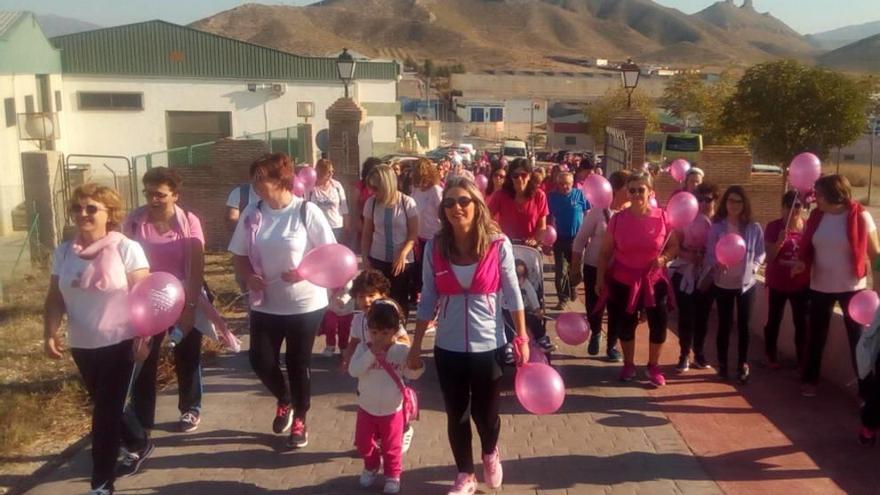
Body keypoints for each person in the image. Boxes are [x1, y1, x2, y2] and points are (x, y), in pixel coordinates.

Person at [408, 177, 529, 495]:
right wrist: (416, 345)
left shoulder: (497, 243)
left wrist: (522, 339)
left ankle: (490, 452)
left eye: (463, 201)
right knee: (456, 413)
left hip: (488, 344)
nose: (456, 208)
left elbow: (513, 294)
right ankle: (465, 474)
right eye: (449, 203)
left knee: (486, 415)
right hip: (447, 346)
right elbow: (428, 298)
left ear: (477, 205)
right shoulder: (434, 246)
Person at [44, 184, 151, 495]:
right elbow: (55, 297)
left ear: (110, 213)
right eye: (78, 208)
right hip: (83, 344)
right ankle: (138, 441)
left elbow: (145, 298)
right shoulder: (64, 252)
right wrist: (49, 331)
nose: (83, 214)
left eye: (92, 208)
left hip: (123, 342)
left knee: (104, 415)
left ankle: (101, 483)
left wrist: (145, 337)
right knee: (110, 407)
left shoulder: (126, 249)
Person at [229, 152, 337, 449]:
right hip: (265, 302)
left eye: (262, 178)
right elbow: (238, 255)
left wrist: (305, 272)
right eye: (255, 178)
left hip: (304, 303)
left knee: (297, 362)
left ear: (282, 180)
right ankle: (284, 397)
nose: (256, 184)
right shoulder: (253, 213)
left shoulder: (306, 212)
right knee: (260, 359)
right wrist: (249, 277)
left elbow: (329, 254)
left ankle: (300, 418)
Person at [122, 167, 207, 455]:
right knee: (145, 357)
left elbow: (196, 267)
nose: (153, 199)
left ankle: (190, 408)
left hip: (183, 295)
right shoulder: (135, 222)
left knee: (187, 353)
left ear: (175, 195)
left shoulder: (188, 222)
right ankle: (144, 419)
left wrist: (191, 307)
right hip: (148, 300)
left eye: (159, 194)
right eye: (148, 193)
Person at [794, 175, 879, 397]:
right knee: (816, 338)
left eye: (819, 194)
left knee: (858, 342)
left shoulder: (861, 216)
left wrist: (877, 288)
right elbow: (809, 248)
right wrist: (801, 264)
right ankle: (810, 380)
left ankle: (866, 391)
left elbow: (876, 254)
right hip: (820, 285)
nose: (815, 198)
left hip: (852, 288)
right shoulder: (816, 217)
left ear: (834, 194)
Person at [596, 172, 678, 387]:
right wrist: (599, 278)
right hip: (624, 280)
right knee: (625, 324)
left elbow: (673, 245)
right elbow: (605, 253)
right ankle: (629, 364)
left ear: (650, 192)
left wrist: (664, 258)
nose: (636, 194)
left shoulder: (662, 216)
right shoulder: (617, 219)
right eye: (631, 190)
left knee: (658, 324)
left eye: (640, 189)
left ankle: (653, 366)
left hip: (654, 280)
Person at [349, 299, 424, 495]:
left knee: (392, 447)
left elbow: (411, 373)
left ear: (394, 331)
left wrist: (417, 365)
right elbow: (354, 370)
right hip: (366, 408)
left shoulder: (401, 351)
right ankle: (372, 465)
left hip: (393, 411)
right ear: (368, 331)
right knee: (363, 443)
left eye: (385, 333)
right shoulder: (364, 349)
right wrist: (370, 354)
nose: (379, 338)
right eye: (374, 333)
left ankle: (393, 475)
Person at [704, 186, 765, 384]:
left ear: (744, 204)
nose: (734, 205)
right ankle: (722, 365)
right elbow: (710, 253)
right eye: (731, 201)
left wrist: (755, 267)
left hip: (746, 284)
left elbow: (760, 252)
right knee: (724, 325)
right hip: (723, 284)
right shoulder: (717, 227)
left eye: (738, 201)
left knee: (744, 326)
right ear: (725, 203)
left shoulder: (753, 227)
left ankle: (742, 364)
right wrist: (716, 262)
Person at [571, 170, 631, 361]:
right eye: (628, 188)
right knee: (594, 305)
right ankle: (596, 332)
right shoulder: (597, 211)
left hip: (619, 270)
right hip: (593, 266)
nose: (631, 192)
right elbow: (580, 240)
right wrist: (574, 268)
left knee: (616, 309)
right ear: (616, 189)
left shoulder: (630, 213)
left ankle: (612, 345)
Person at [668, 182, 718, 373]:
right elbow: (675, 246)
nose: (704, 203)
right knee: (686, 316)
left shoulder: (719, 224)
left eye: (708, 199)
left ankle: (699, 352)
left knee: (703, 317)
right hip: (685, 273)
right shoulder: (686, 219)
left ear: (715, 201)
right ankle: (684, 354)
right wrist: (689, 255)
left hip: (707, 274)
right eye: (700, 199)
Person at [361, 164, 420, 317]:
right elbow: (367, 233)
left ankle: (400, 336)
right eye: (371, 188)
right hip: (378, 259)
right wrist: (365, 258)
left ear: (386, 185)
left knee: (399, 302)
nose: (372, 192)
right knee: (378, 302)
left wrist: (402, 254)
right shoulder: (371, 203)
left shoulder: (407, 203)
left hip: (402, 262)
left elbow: (413, 234)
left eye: (376, 188)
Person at [763, 190, 809, 368]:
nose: (794, 209)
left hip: (800, 284)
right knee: (774, 319)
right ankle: (770, 354)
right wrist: (778, 243)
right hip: (777, 282)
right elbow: (769, 257)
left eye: (798, 205)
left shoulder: (806, 227)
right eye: (790, 206)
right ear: (783, 208)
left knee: (801, 323)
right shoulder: (774, 227)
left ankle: (802, 360)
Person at [548, 172, 589, 310]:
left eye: (567, 184)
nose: (564, 186)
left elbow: (587, 213)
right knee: (560, 270)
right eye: (561, 184)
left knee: (577, 269)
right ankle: (562, 298)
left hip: (577, 238)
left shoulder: (580, 194)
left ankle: (573, 286)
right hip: (559, 239)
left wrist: (588, 233)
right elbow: (548, 218)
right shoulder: (552, 197)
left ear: (572, 183)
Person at [487, 158, 548, 247]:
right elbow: (487, 218)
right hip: (506, 245)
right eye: (515, 175)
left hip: (530, 247)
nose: (519, 179)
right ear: (510, 177)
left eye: (523, 175)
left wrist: (534, 239)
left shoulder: (539, 196)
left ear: (529, 176)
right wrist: (496, 233)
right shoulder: (500, 195)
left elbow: (542, 226)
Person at [410, 158, 443, 306]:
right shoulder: (415, 190)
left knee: (433, 270)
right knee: (420, 270)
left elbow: (443, 212)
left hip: (434, 237)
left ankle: (435, 300)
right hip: (419, 236)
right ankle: (421, 296)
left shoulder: (435, 190)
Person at [515, 259, 553, 352]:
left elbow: (532, 296)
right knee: (506, 322)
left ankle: (541, 339)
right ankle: (507, 346)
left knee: (533, 318)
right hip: (508, 310)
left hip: (524, 310)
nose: (519, 279)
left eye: (521, 276)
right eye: (517, 275)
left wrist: (537, 309)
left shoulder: (526, 284)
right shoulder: (505, 284)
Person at [308, 158, 350, 244]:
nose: (331, 174)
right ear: (321, 172)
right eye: (328, 172)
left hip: (336, 226)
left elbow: (344, 207)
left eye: (332, 171)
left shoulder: (337, 186)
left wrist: (347, 225)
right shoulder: (312, 188)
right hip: (319, 226)